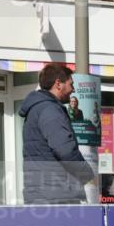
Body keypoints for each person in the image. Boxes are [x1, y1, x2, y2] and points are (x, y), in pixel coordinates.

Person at [20, 63, 95, 204]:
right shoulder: (50, 110)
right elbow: (65, 150)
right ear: (58, 84)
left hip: (44, 193)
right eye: (71, 84)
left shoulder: (38, 109)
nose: (73, 89)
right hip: (56, 195)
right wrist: (86, 174)